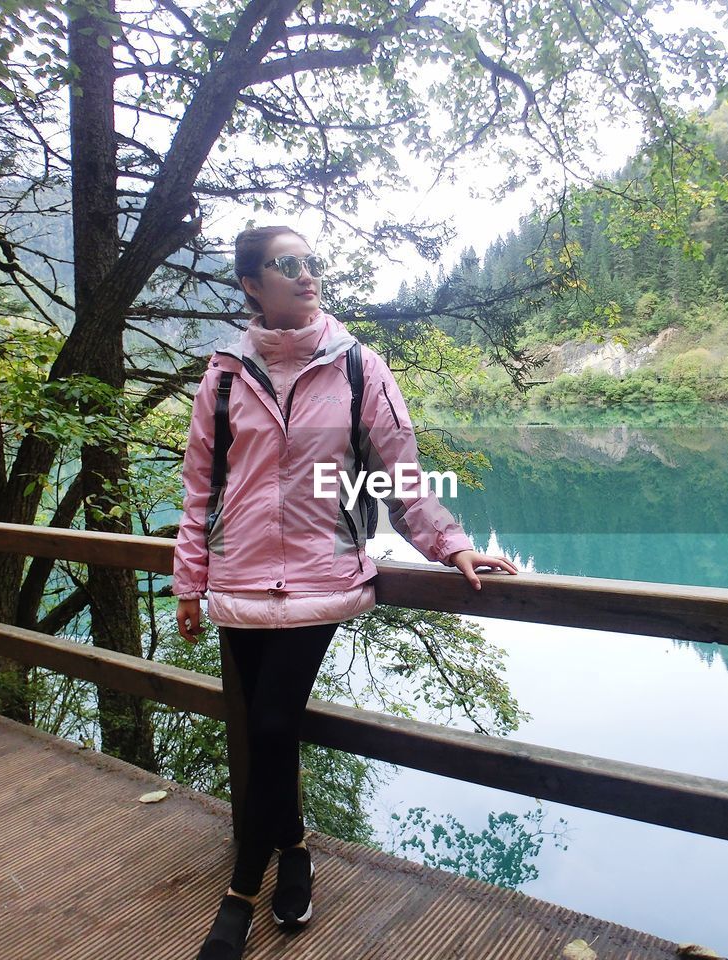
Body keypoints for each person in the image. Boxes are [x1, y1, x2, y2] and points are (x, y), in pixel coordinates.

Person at [174, 225, 517, 959]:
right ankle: (294, 847)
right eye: (286, 265)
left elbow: (401, 482)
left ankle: (239, 891)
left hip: (320, 578)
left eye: (312, 263)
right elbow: (201, 487)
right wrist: (188, 584)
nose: (306, 275)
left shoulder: (360, 368)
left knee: (268, 727)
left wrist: (451, 544)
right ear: (251, 286)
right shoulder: (226, 375)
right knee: (269, 733)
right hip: (237, 583)